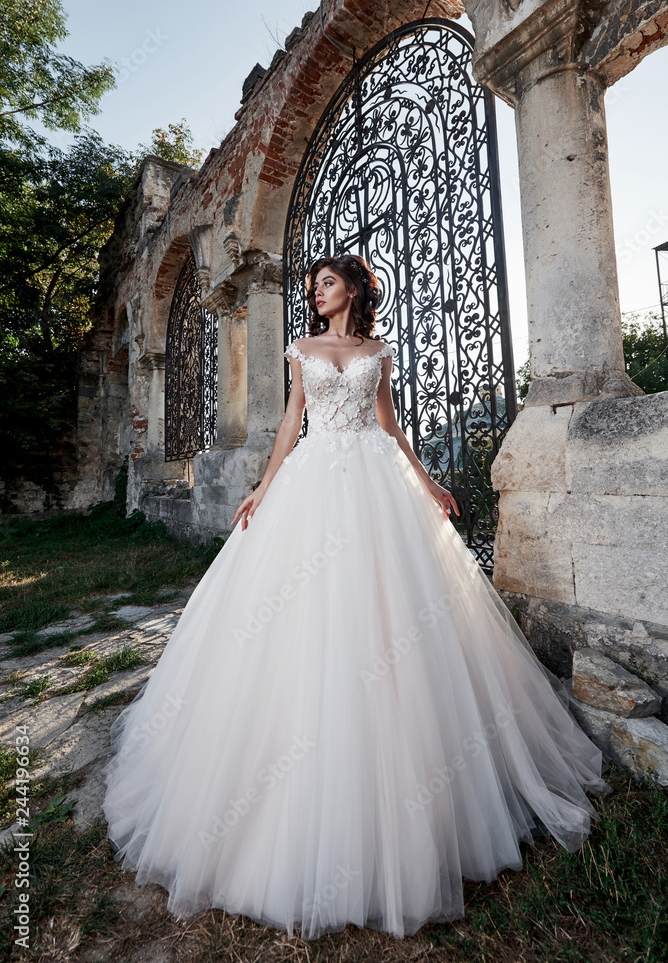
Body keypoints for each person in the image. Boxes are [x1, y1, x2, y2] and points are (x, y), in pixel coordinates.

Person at [102, 253, 609, 942]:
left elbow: (392, 427)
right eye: (313, 286)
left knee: (393, 612)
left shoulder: (378, 352)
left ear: (358, 290)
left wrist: (428, 484)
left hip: (377, 482)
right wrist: (261, 487)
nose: (317, 293)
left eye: (328, 283)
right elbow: (290, 424)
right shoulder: (302, 349)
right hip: (315, 481)